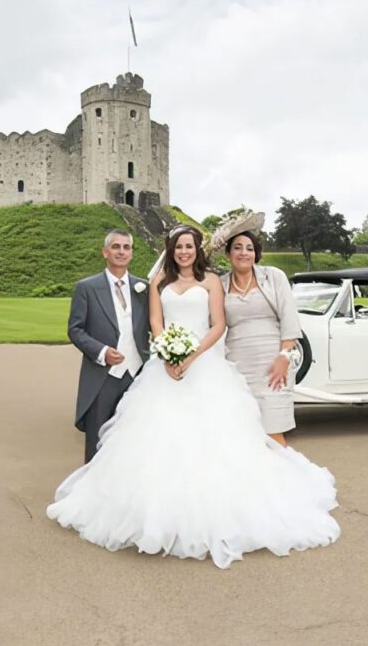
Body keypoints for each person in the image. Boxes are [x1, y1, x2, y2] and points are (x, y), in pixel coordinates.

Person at [47, 225, 340, 569]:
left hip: (205, 364)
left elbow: (217, 324)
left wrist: (192, 355)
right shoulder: (159, 282)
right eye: (178, 247)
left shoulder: (212, 281)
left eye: (189, 246)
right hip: (165, 367)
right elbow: (156, 321)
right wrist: (168, 353)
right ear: (171, 251)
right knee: (156, 437)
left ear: (197, 250)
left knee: (219, 439)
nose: (184, 251)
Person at [67, 229, 151, 463]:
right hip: (102, 377)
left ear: (132, 253)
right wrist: (102, 352)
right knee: (97, 441)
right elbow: (75, 329)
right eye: (116, 246)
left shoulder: (144, 289)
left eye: (126, 247)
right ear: (105, 252)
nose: (121, 252)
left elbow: (156, 327)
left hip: (138, 376)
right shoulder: (87, 287)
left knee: (134, 439)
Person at [221, 230, 302, 447]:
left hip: (273, 363)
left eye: (249, 249)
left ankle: (287, 479)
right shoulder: (220, 284)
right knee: (245, 431)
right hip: (238, 366)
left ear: (256, 254)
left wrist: (284, 357)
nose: (243, 253)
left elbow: (289, 318)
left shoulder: (274, 276)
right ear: (228, 253)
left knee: (273, 432)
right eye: (237, 248)